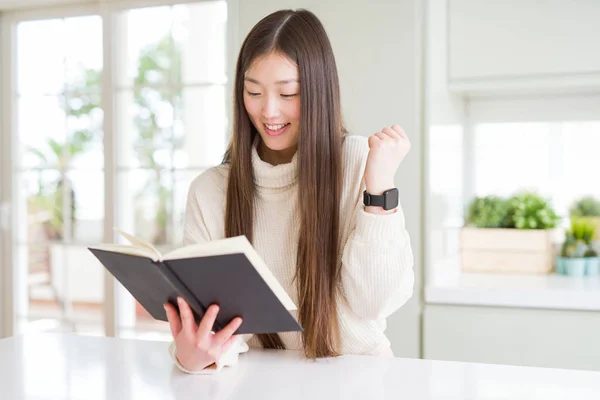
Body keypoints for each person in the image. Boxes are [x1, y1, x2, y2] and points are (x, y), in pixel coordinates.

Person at [164, 8, 414, 374]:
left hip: (361, 381)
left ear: (318, 91)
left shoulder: (360, 162)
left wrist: (379, 189)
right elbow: (202, 328)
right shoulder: (211, 190)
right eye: (253, 91)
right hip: (261, 384)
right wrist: (189, 358)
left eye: (288, 93)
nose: (269, 111)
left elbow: (373, 302)